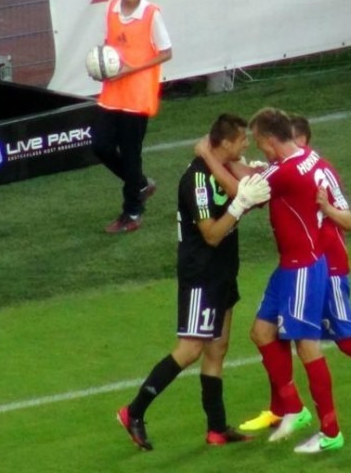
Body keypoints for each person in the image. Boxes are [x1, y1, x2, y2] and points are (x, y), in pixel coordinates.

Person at [238, 115, 351, 447]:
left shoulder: (298, 168)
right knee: (270, 332)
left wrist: (326, 208)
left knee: (342, 341)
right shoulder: (316, 162)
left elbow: (348, 220)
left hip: (327, 268)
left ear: (299, 139)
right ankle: (286, 408)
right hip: (310, 263)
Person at [116, 113, 270, 451]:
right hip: (201, 275)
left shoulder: (223, 166)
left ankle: (216, 428)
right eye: (242, 139)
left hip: (224, 272)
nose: (246, 144)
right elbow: (211, 234)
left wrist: (245, 192)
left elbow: (255, 195)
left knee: (217, 349)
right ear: (225, 142)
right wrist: (239, 207)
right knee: (190, 350)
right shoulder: (196, 180)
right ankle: (133, 411)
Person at [197, 108, 344, 453]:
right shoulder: (303, 158)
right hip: (288, 266)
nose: (257, 147)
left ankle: (331, 433)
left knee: (307, 347)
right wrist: (237, 161)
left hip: (304, 267)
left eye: (258, 141)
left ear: (269, 139)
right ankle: (294, 407)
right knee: (262, 332)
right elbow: (258, 175)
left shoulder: (286, 172)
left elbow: (241, 191)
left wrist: (208, 155)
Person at [93, 0, 172, 234]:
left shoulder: (151, 14)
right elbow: (110, 45)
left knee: (130, 154)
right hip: (112, 92)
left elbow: (166, 52)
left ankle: (133, 212)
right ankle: (140, 183)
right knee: (100, 145)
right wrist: (102, 66)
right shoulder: (111, 9)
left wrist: (131, 69)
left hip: (137, 96)